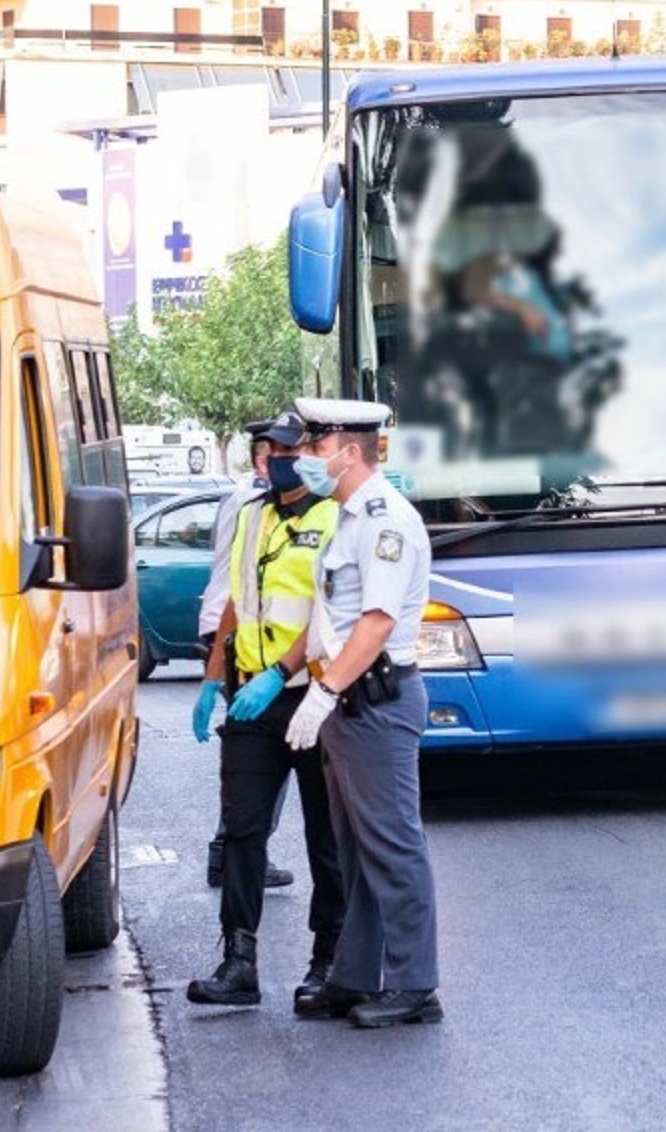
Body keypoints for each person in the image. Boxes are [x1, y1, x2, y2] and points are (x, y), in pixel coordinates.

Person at [284, 397, 444, 1030]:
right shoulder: (346, 518)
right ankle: (355, 976)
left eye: (315, 448)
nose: (304, 459)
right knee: (354, 851)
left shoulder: (383, 521)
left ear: (349, 452)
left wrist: (321, 694)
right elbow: (336, 619)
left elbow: (375, 623)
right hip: (350, 703)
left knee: (393, 846)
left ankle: (414, 986)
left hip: (374, 700)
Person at [186, 412, 347, 1010]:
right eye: (269, 449)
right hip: (251, 696)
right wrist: (212, 679)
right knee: (243, 832)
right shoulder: (252, 515)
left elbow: (333, 616)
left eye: (287, 448)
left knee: (324, 837)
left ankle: (326, 960)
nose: (275, 458)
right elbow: (235, 601)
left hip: (312, 697)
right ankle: (239, 961)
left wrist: (283, 672)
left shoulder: (336, 519)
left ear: (310, 453)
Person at [196, 422, 293, 891]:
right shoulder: (251, 504)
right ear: (262, 462)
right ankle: (229, 850)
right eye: (286, 453)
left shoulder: (250, 500)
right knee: (260, 761)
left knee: (254, 761)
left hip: (236, 631)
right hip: (236, 635)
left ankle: (236, 849)